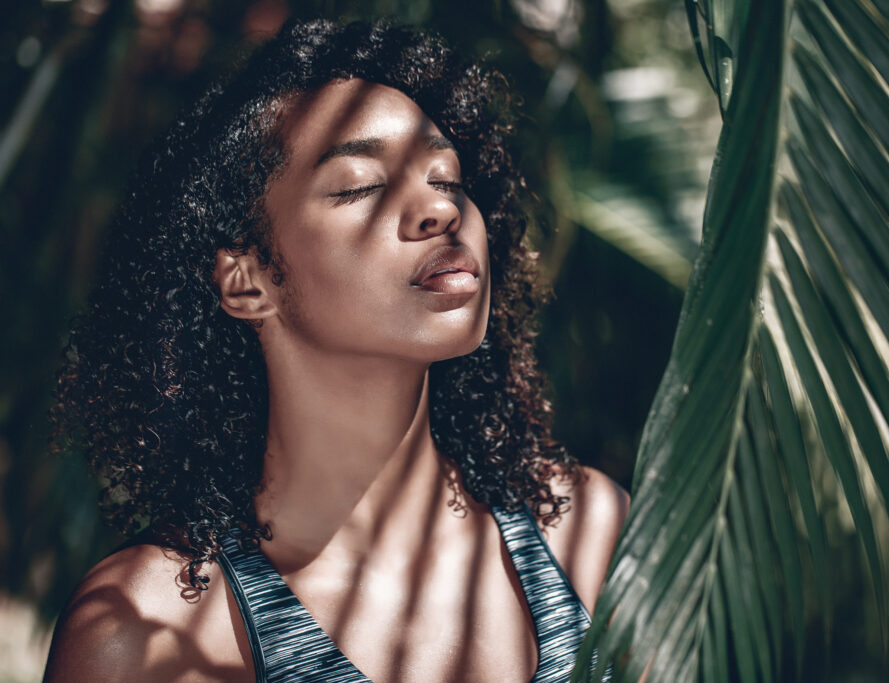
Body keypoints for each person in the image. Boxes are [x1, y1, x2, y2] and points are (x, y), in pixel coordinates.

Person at [43, 18, 628, 683]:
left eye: (447, 177)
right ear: (247, 279)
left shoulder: (588, 535)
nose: (438, 209)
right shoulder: (151, 629)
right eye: (360, 186)